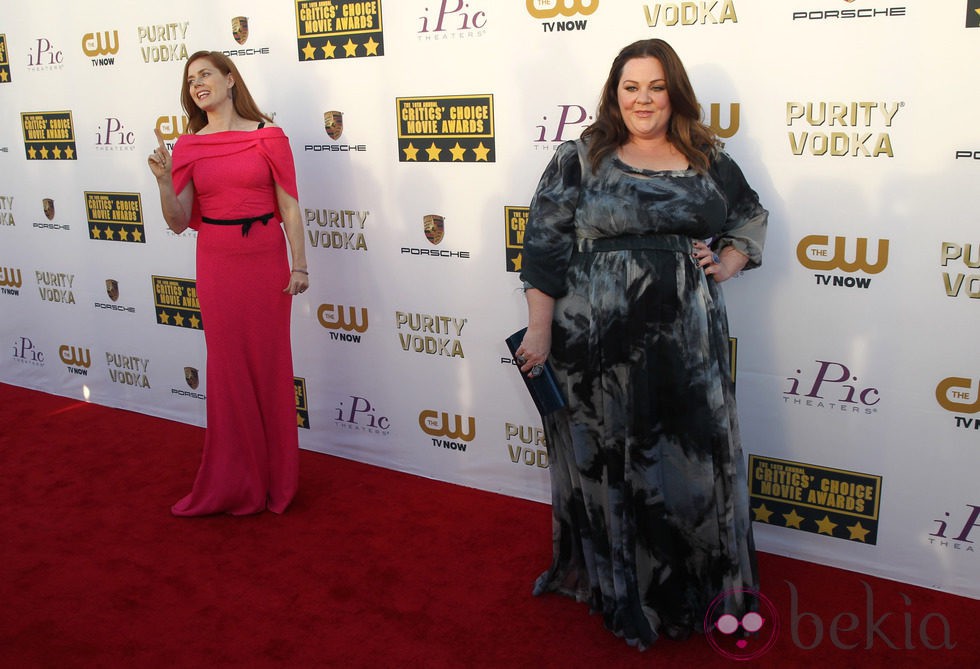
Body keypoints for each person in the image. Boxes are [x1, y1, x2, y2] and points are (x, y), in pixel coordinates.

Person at [515, 38, 766, 648]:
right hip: (597, 342)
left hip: (687, 340)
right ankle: (622, 586)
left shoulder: (708, 156)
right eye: (631, 87)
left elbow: (750, 214)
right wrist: (539, 329)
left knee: (689, 467)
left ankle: (692, 586)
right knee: (612, 460)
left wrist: (728, 261)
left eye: (655, 86)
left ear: (673, 92)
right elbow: (544, 248)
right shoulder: (580, 157)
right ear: (614, 94)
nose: (643, 99)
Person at [147, 51, 308, 516]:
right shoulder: (189, 146)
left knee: (270, 365)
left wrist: (300, 266)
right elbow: (178, 221)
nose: (198, 83)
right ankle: (235, 479)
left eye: (206, 74)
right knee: (227, 370)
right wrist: (162, 182)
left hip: (265, 260)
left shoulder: (268, 136)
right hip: (216, 262)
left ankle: (276, 480)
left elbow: (291, 208)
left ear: (229, 79)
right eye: (191, 79)